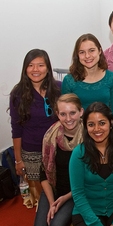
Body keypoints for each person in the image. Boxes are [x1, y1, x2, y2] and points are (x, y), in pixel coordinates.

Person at [28, 93, 84, 226]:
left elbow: (91, 179)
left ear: (81, 112)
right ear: (57, 114)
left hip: (75, 193)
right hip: (53, 189)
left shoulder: (89, 137)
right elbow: (43, 173)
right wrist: (52, 203)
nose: (68, 118)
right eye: (63, 114)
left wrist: (64, 199)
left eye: (72, 113)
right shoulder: (51, 135)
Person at [9, 49, 61, 207]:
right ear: (25, 69)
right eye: (31, 65)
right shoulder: (18, 94)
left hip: (56, 148)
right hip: (31, 151)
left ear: (48, 68)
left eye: (40, 65)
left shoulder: (59, 88)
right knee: (41, 197)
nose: (36, 69)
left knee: (59, 188)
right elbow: (16, 129)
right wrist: (18, 160)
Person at [62, 33, 113, 132]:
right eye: (82, 52)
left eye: (91, 50)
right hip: (78, 135)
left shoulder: (111, 77)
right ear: (77, 55)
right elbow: (64, 113)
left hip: (105, 134)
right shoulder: (69, 80)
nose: (87, 56)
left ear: (100, 51)